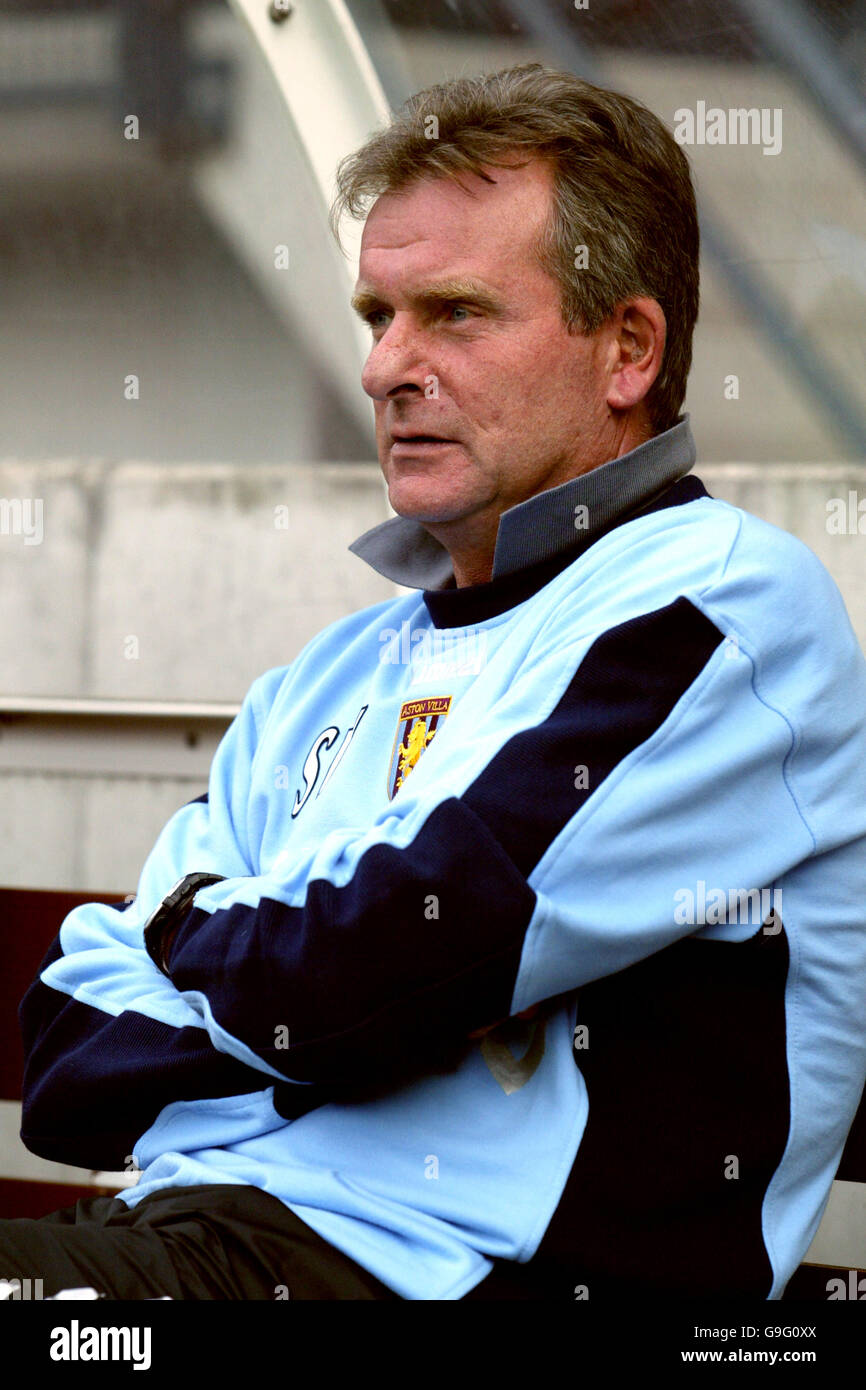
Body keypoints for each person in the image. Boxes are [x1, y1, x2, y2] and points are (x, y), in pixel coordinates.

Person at [5, 62, 866, 1301]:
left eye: (453, 314)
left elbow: (416, 940)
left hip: (454, 1281)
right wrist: (335, 1002)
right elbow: (71, 1052)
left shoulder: (717, 606)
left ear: (627, 348)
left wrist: (187, 932)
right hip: (195, 1252)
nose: (384, 368)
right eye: (376, 316)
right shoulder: (327, 675)